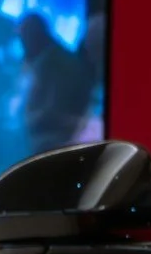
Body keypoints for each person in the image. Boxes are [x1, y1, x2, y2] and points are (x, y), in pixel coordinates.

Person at [19, 11, 99, 155]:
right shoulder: (46, 60)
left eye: (25, 38)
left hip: (61, 143)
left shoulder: (57, 63)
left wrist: (27, 120)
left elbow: (53, 113)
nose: (23, 45)